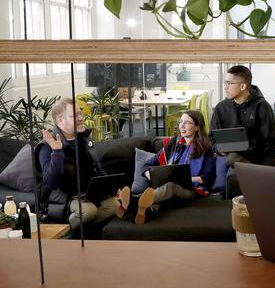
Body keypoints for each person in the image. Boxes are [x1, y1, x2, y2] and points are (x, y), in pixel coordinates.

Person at [35, 97, 120, 230]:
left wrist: (110, 188)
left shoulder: (83, 138)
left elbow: (97, 168)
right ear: (60, 120)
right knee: (89, 211)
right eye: (74, 115)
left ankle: (81, 231)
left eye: (80, 113)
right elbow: (51, 183)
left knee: (114, 205)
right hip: (62, 197)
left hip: (85, 193)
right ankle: (63, 232)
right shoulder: (46, 146)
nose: (81, 118)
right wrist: (57, 152)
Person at [118, 110, 216, 225]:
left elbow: (208, 177)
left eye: (188, 123)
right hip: (165, 186)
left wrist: (185, 179)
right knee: (161, 194)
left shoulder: (205, 148)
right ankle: (143, 211)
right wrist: (149, 174)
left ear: (197, 127)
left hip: (192, 189)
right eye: (181, 122)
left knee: (170, 186)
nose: (182, 126)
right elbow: (148, 164)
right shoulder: (174, 143)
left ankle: (133, 201)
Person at [209, 65, 275, 167]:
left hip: (258, 162)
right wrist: (220, 149)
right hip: (230, 159)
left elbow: (271, 144)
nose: (225, 87)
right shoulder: (221, 108)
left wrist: (266, 170)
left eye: (229, 83)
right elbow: (212, 138)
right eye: (225, 83)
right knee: (231, 162)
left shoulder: (262, 107)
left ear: (242, 86)